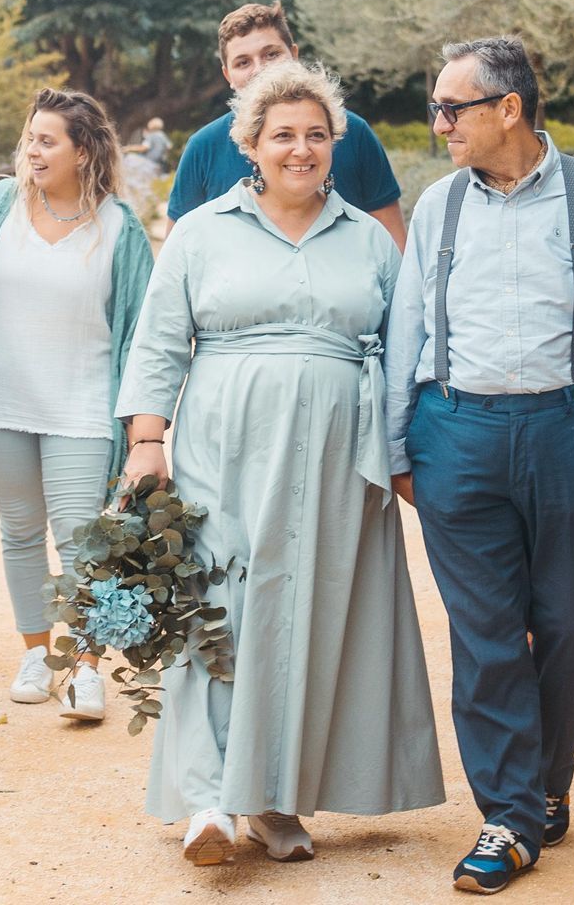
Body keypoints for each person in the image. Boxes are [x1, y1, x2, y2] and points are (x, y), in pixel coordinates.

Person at [119, 60, 444, 866]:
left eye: (316, 135)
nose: (302, 150)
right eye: (283, 136)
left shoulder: (369, 240)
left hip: (340, 464)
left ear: (336, 145)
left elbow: (407, 355)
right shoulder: (201, 232)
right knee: (221, 607)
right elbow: (159, 344)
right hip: (222, 452)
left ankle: (275, 798)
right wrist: (146, 443)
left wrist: (405, 458)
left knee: (314, 616)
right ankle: (206, 798)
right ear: (250, 146)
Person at [384, 37, 574, 894]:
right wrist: (399, 446)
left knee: (573, 624)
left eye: (452, 108)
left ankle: (546, 781)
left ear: (507, 108)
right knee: (483, 636)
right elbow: (410, 327)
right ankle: (509, 813)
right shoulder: (437, 206)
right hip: (457, 433)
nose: (441, 123)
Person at [0, 89, 157, 719]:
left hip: (83, 408)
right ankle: (37, 652)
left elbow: (142, 329)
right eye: (29, 139)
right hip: (3, 403)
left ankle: (85, 666)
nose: (32, 151)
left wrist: (143, 425)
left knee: (85, 541)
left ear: (82, 150)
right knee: (19, 533)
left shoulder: (120, 227)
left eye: (47, 141)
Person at [164, 2, 406, 248]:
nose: (260, 69)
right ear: (228, 76)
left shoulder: (355, 133)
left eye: (271, 54)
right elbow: (177, 255)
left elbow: (395, 249)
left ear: (294, 55)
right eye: (243, 62)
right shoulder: (203, 147)